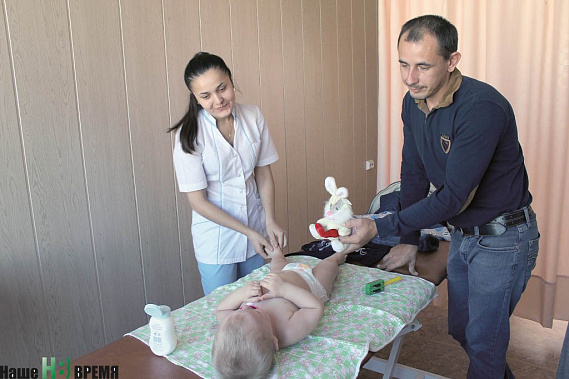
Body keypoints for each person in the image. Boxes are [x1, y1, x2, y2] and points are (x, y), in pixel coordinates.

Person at [340, 15, 540, 379]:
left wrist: (376, 225)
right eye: (403, 64)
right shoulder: (412, 103)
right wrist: (408, 240)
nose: (410, 77)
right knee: (462, 331)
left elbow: (453, 199)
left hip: (504, 238)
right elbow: (414, 176)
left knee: (484, 343)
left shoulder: (481, 108)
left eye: (422, 66)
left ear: (452, 61)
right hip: (464, 235)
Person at [169, 52, 287, 295]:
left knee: (257, 307)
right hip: (216, 241)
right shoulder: (189, 135)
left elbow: (263, 174)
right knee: (226, 312)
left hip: (255, 229)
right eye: (206, 95)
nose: (218, 100)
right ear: (196, 98)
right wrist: (249, 232)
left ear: (231, 82)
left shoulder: (253, 116)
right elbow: (198, 202)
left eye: (222, 88)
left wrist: (270, 219)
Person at [211, 245, 345, 378]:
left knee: (277, 264)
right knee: (327, 266)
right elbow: (315, 307)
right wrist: (284, 290)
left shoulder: (233, 326)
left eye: (239, 309)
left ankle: (277, 255)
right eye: (256, 312)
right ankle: (337, 257)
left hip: (279, 274)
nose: (247, 306)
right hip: (311, 283)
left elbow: (221, 309)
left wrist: (241, 294)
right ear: (274, 341)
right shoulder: (287, 331)